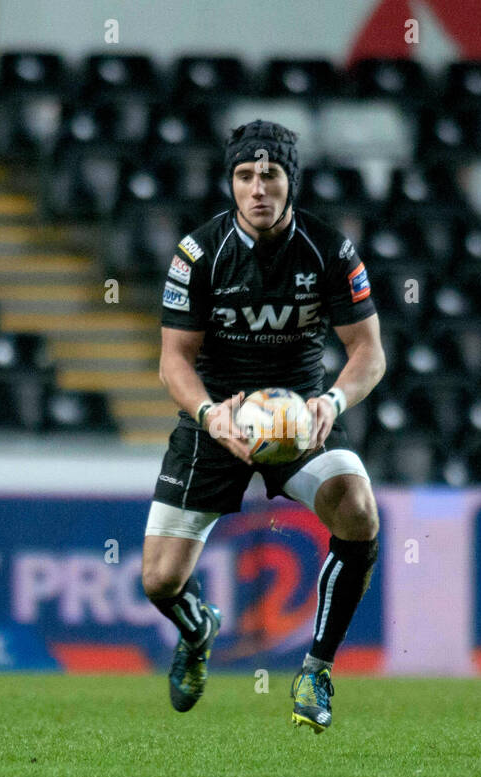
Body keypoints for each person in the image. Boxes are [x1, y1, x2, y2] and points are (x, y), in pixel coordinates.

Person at [142, 120, 386, 732]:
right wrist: (207, 413)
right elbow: (173, 360)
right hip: (217, 418)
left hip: (301, 416)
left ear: (290, 181)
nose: (257, 188)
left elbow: (369, 353)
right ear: (231, 182)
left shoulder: (330, 250)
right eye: (245, 176)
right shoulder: (198, 253)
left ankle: (317, 668)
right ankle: (198, 627)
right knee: (159, 581)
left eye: (270, 175)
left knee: (357, 509)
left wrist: (332, 400)